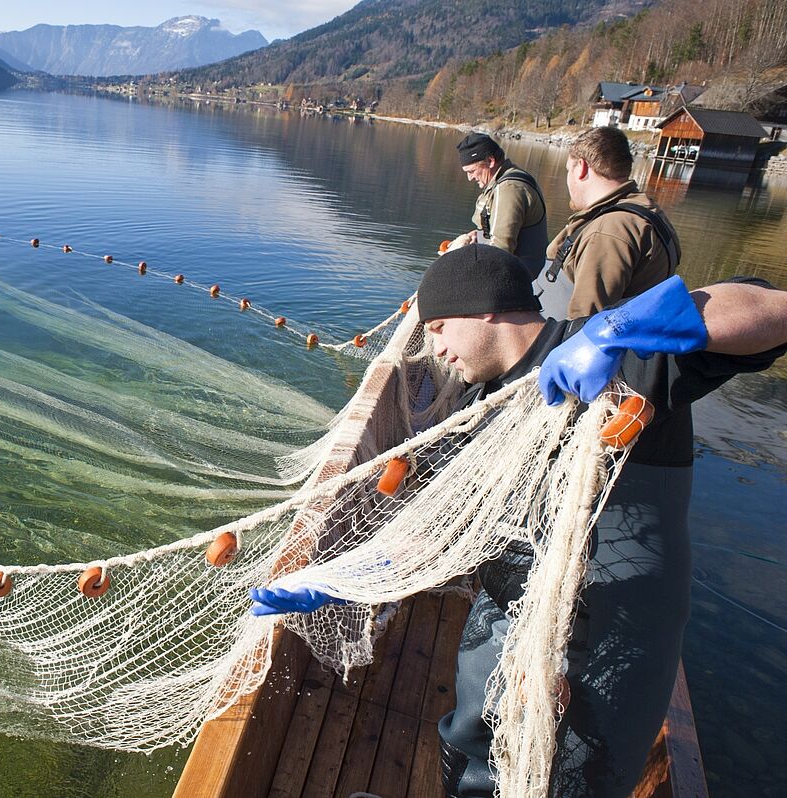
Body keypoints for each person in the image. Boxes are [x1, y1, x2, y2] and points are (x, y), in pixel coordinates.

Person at [251, 245, 787, 796]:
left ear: (484, 308)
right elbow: (447, 526)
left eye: (439, 328)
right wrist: (349, 578)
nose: (435, 349)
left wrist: (617, 329)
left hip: (610, 626)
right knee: (470, 741)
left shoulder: (618, 360)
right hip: (506, 609)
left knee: (569, 775)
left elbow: (769, 311)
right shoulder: (480, 407)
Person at [543, 126, 681, 320]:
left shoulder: (608, 231)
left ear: (581, 168)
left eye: (568, 170)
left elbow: (584, 323)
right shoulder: (648, 211)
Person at [444, 132, 548, 279]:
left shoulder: (508, 189)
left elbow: (501, 248)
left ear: (490, 161)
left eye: (472, 171)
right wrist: (477, 235)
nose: (470, 178)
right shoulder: (506, 180)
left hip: (511, 280)